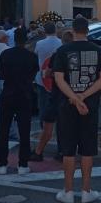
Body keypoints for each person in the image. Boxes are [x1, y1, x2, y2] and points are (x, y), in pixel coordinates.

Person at [52, 17, 101, 203]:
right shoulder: (98, 51)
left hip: (67, 105)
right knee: (87, 149)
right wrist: (83, 96)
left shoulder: (62, 51)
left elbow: (59, 79)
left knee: (68, 150)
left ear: (73, 30)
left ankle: (68, 191)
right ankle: (86, 190)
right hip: (89, 105)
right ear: (88, 30)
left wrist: (74, 98)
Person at [0, 27, 38, 174]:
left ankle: (2, 163)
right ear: (26, 40)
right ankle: (23, 164)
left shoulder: (6, 54)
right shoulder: (31, 56)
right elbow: (33, 75)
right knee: (24, 131)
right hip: (24, 95)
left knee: (3, 130)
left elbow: (1, 75)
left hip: (8, 93)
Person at [29, 23, 62, 161]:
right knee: (60, 113)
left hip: (42, 79)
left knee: (43, 108)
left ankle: (44, 134)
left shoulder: (40, 44)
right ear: (56, 30)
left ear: (44, 31)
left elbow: (35, 57)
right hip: (57, 81)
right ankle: (60, 145)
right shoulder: (60, 43)